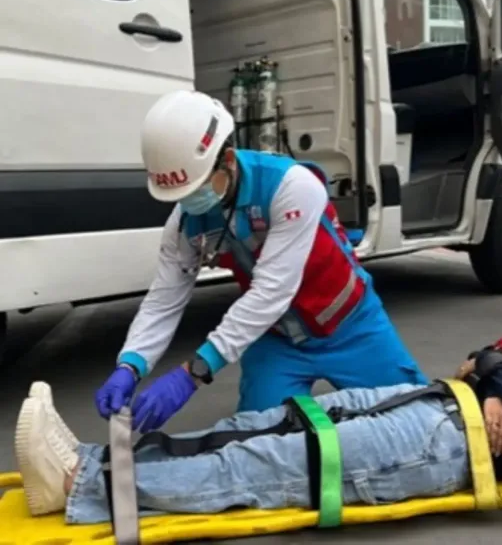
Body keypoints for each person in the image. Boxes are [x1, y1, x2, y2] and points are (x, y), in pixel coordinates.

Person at [15, 356, 502, 526]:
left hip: (441, 449)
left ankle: (82, 486)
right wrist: (501, 378)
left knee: (273, 464)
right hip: (438, 404)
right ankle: (96, 457)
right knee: (268, 422)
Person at [94, 90, 427, 433]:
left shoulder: (292, 186)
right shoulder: (184, 223)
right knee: (259, 441)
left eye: (196, 187)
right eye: (181, 194)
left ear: (228, 159)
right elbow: (165, 298)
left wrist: (194, 372)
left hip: (351, 327)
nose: (190, 201)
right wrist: (130, 364)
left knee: (418, 420)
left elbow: (272, 291)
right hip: (276, 339)